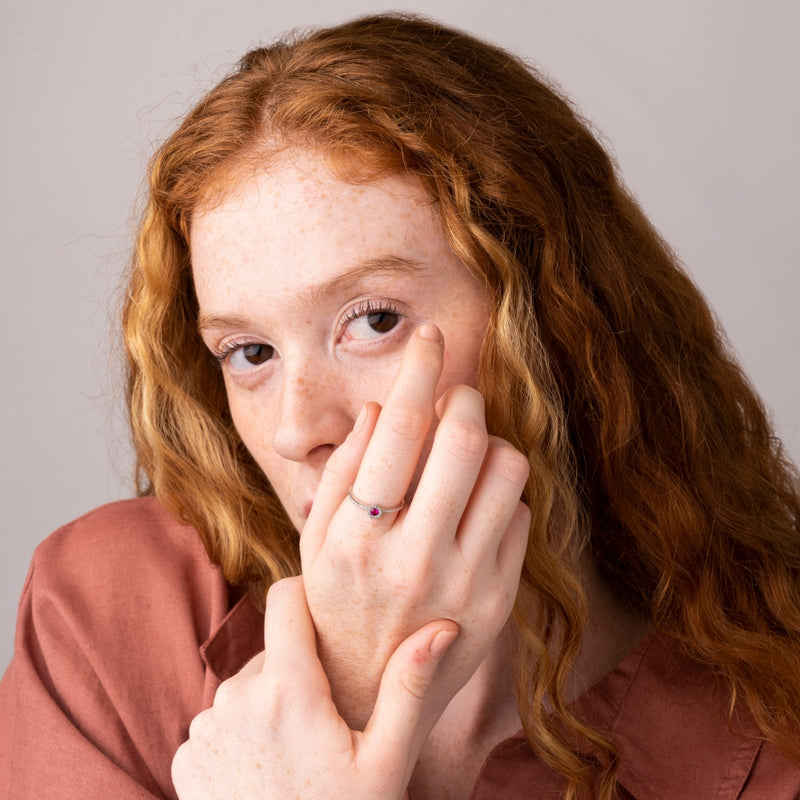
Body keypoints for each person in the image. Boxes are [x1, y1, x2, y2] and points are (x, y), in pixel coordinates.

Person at [2, 12, 799, 800]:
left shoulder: (772, 729)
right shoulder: (105, 610)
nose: (297, 429)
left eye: (375, 321)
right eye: (251, 354)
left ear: (559, 324)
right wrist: (344, 682)